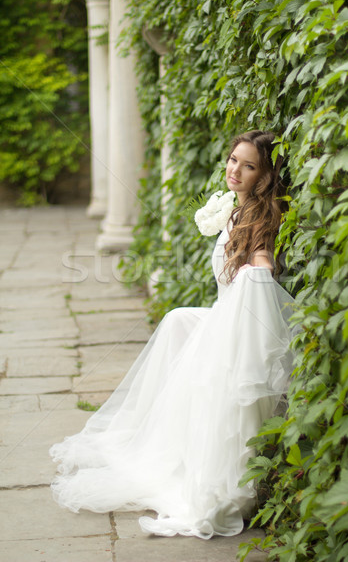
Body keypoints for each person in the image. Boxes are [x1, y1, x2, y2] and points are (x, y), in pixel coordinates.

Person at [50, 130, 295, 539]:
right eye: (234, 159)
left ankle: (220, 475)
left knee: (188, 332)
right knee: (179, 320)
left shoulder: (260, 217)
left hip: (236, 325)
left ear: (264, 175)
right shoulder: (237, 211)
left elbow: (259, 258)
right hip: (223, 316)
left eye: (249, 165)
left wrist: (261, 265)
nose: (235, 170)